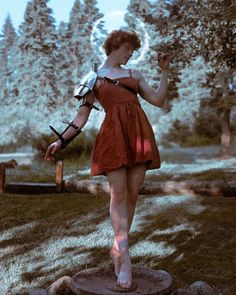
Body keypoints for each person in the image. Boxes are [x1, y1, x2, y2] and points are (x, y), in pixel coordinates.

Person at [45, 30, 170, 290]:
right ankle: (125, 258)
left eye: (133, 50)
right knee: (119, 196)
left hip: (138, 135)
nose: (131, 53)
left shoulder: (135, 75)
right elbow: (81, 118)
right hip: (113, 137)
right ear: (115, 46)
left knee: (133, 195)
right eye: (128, 48)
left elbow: (157, 100)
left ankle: (116, 248)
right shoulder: (94, 78)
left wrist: (164, 71)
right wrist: (60, 141)